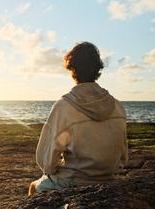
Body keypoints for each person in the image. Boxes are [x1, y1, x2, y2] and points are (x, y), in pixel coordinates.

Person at [28, 42, 128, 196]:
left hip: (74, 181)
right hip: (108, 179)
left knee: (34, 187)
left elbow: (47, 164)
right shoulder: (117, 106)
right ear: (97, 69)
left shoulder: (64, 107)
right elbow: (123, 156)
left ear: (72, 69)